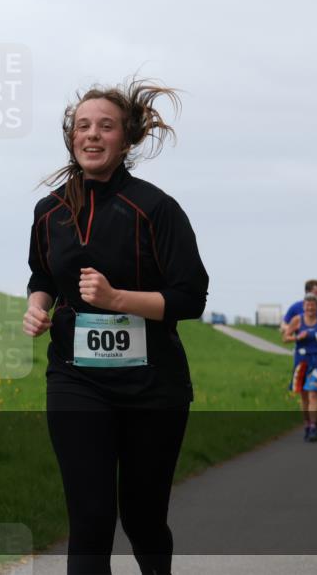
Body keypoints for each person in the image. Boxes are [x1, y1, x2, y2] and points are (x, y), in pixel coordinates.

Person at [24, 80, 208, 574]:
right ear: (71, 138)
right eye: (82, 126)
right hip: (76, 380)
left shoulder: (156, 209)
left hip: (152, 386)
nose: (92, 135)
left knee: (144, 519)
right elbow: (43, 274)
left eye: (105, 126)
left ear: (126, 139)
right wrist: (37, 307)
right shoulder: (49, 212)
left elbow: (191, 298)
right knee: (90, 517)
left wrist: (116, 299)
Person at [283, 293, 317, 441]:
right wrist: (297, 337)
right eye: (307, 305)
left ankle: (313, 426)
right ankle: (307, 424)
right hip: (302, 361)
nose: (310, 308)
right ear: (303, 307)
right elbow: (285, 338)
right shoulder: (297, 320)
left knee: (313, 393)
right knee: (304, 397)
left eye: (313, 305)